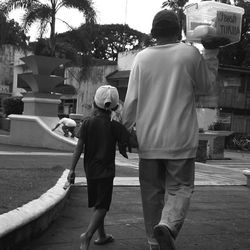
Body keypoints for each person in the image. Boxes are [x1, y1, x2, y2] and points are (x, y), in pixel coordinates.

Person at [122, 9, 227, 250]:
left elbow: (131, 101)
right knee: (180, 188)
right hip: (180, 141)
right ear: (178, 30)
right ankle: (168, 225)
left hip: (149, 141)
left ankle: (153, 243)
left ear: (154, 32)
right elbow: (205, 86)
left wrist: (124, 129)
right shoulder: (189, 54)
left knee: (150, 194)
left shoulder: (141, 58)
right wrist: (210, 53)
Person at [67, 85, 130, 250]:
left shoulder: (87, 123)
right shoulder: (115, 127)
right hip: (106, 172)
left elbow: (78, 147)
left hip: (90, 170)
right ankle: (87, 236)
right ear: (115, 107)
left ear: (94, 104)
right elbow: (131, 141)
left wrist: (72, 170)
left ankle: (101, 236)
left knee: (97, 203)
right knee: (102, 206)